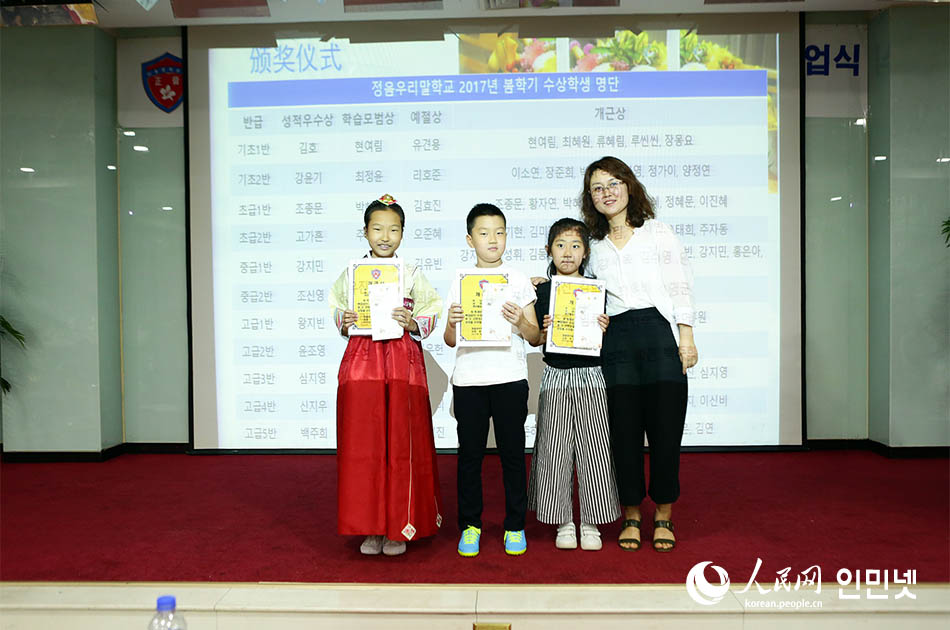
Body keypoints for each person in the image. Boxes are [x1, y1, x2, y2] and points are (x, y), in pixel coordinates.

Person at [581, 156, 698, 552]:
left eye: (613, 184)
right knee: (623, 435)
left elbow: (679, 284)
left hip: (659, 335)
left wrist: (686, 337)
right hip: (616, 341)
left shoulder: (657, 232)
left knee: (666, 432)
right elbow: (578, 288)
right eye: (597, 188)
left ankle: (663, 514)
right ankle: (631, 513)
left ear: (629, 186)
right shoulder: (592, 244)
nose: (607, 193)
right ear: (590, 198)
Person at [330, 194, 443, 556]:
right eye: (377, 228)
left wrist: (413, 321)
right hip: (363, 359)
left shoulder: (411, 273)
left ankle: (398, 526)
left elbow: (432, 308)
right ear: (365, 232)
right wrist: (344, 320)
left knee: (401, 443)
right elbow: (337, 307)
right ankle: (371, 526)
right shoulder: (352, 273)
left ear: (403, 234)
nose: (385, 236)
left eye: (393, 229)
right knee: (364, 445)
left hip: (400, 359)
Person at [444, 203, 541, 557]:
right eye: (484, 233)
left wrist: (520, 321)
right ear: (470, 240)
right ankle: (470, 525)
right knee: (469, 456)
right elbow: (449, 340)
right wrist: (452, 322)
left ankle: (515, 525)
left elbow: (535, 337)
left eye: (499, 232)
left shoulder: (517, 278)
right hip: (469, 379)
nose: (493, 240)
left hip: (510, 377)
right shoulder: (460, 280)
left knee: (512, 455)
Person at [528, 218, 620, 551]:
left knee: (595, 449)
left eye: (576, 246)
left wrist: (604, 326)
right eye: (561, 245)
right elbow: (535, 338)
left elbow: (605, 340)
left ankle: (591, 522)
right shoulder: (541, 291)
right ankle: (564, 521)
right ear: (549, 250)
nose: (568, 252)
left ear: (585, 253)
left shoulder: (598, 290)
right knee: (554, 449)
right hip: (555, 374)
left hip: (592, 374)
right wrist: (543, 330)